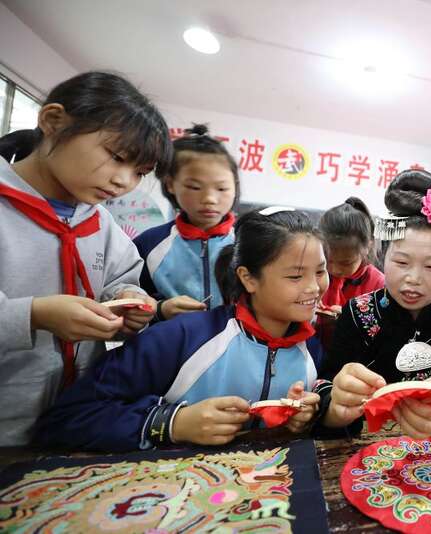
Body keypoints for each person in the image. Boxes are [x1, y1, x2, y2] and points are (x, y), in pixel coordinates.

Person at [35, 208, 328, 451]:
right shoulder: (181, 339)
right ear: (248, 278)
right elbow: (66, 419)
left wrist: (304, 417)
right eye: (295, 276)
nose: (314, 287)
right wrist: (172, 423)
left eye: (320, 271)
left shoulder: (311, 347)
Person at [0, 71, 170, 446]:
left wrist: (129, 304)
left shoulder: (101, 224)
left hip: (71, 421)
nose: (124, 181)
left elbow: (121, 282)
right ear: (53, 121)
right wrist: (34, 314)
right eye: (117, 157)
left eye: (139, 172)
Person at [313, 170, 431, 448]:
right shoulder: (356, 314)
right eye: (402, 262)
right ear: (383, 256)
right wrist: (335, 407)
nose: (414, 278)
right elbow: (324, 387)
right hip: (368, 454)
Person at [134, 123, 238, 320]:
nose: (209, 199)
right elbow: (128, 301)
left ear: (235, 187)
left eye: (222, 188)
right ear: (170, 185)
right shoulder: (148, 243)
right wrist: (160, 309)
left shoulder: (250, 242)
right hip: (169, 338)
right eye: (195, 187)